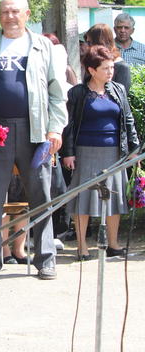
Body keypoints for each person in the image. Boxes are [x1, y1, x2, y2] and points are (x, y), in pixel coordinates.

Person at [0, 0, 68, 280]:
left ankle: (45, 258)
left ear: (27, 14)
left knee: (41, 196)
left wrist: (55, 129)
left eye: (15, 11)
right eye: (4, 12)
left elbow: (58, 92)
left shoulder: (43, 46)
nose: (9, 16)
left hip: (35, 131)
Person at [61, 46, 139, 260]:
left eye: (112, 67)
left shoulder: (118, 90)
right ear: (91, 70)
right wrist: (68, 152)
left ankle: (113, 244)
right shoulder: (77, 92)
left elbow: (128, 120)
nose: (110, 72)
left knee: (114, 199)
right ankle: (82, 246)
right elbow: (68, 125)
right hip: (85, 151)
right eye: (105, 68)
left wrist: (133, 149)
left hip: (114, 152)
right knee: (83, 198)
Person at [85, 24, 130, 92]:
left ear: (99, 42)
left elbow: (121, 96)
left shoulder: (121, 66)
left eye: (89, 43)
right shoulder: (91, 62)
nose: (87, 46)